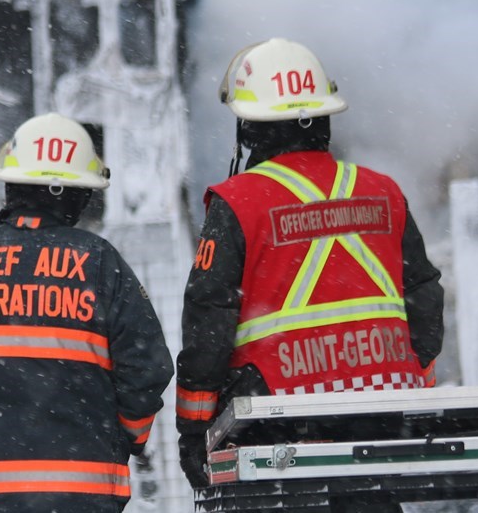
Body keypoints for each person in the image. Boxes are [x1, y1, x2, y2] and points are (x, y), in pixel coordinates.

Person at [175, 38, 446, 506]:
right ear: (324, 119)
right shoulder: (382, 191)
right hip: (377, 414)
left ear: (249, 130)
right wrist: (400, 375)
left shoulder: (238, 203)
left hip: (276, 421)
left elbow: (208, 321)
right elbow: (424, 298)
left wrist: (195, 430)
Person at [0, 112, 174, 513]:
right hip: (83, 485)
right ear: (73, 193)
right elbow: (148, 368)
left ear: (10, 186)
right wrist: (122, 436)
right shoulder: (97, 261)